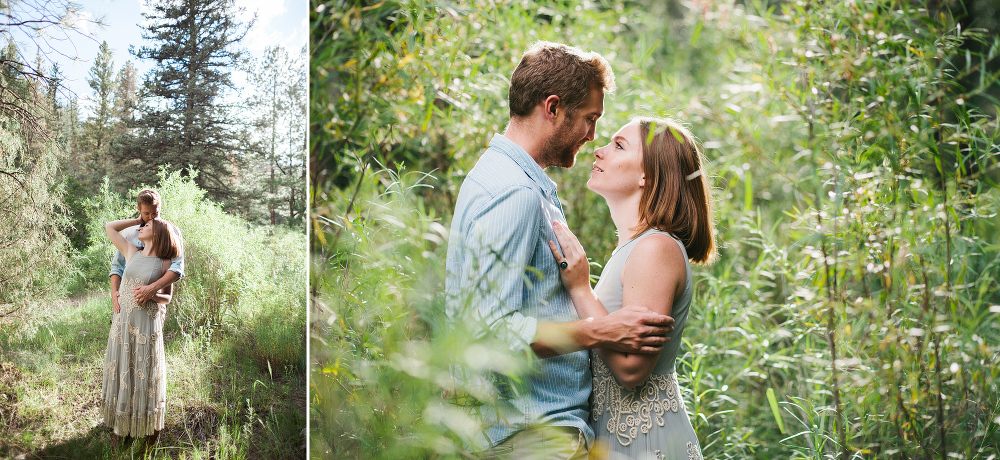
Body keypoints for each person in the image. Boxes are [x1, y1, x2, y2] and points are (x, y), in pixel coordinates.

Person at [445, 42, 675, 459]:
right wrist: (601, 330)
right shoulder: (514, 192)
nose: (592, 136)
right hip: (533, 435)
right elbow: (488, 331)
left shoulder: (503, 178)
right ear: (553, 108)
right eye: (590, 119)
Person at [547, 117, 715, 460]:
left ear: (647, 176)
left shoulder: (656, 248)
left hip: (646, 443)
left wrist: (581, 289)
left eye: (618, 145)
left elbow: (631, 368)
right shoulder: (636, 248)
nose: (599, 150)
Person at [102, 189, 184, 448]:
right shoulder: (130, 243)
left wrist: (152, 292)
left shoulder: (167, 243)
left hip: (147, 319)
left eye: (153, 216)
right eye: (145, 214)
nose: (149, 219)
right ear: (139, 211)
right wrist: (138, 222)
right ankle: (122, 425)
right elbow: (116, 263)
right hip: (124, 319)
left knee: (145, 370)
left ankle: (149, 426)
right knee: (123, 367)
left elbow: (175, 274)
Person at [109, 189, 184, 319]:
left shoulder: (172, 232)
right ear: (139, 209)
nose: (151, 217)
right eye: (146, 213)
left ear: (160, 208)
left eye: (155, 213)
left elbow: (177, 267)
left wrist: (152, 289)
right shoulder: (130, 233)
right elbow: (117, 266)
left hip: (152, 305)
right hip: (127, 305)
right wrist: (114, 291)